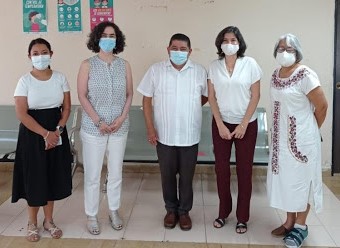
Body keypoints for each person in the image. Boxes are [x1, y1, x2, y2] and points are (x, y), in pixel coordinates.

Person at [138, 33, 208, 231]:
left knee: (187, 177)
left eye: (183, 49)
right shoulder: (156, 71)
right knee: (167, 175)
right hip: (164, 135)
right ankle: (171, 210)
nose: (178, 52)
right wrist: (150, 128)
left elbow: (205, 97)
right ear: (168, 49)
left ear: (190, 51)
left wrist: (190, 107)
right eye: (174, 48)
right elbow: (146, 99)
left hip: (189, 134)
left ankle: (184, 212)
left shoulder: (199, 71)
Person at [267, 33, 328, 248]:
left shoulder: (306, 74)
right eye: (281, 48)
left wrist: (308, 131)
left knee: (301, 183)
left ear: (298, 51)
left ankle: (301, 226)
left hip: (301, 141)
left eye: (290, 49)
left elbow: (322, 106)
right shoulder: (275, 74)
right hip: (280, 141)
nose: (285, 52)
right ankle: (289, 221)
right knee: (286, 181)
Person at [12, 38, 72, 242]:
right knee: (34, 178)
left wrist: (58, 130)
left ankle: (48, 220)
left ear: (51, 54)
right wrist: (45, 134)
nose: (40, 56)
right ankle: (32, 222)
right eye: (35, 53)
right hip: (33, 134)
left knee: (52, 176)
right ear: (29, 57)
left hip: (56, 131)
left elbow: (66, 108)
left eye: (44, 52)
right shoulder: (24, 81)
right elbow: (21, 113)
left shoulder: (60, 78)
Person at [77, 21, 133, 235]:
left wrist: (121, 118)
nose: (108, 39)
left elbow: (129, 94)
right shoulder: (87, 64)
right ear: (97, 39)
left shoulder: (124, 64)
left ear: (117, 40)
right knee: (92, 174)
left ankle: (113, 210)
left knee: (116, 172)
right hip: (94, 129)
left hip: (119, 127)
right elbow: (82, 95)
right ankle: (91, 214)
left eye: (112, 35)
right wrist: (98, 121)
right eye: (104, 35)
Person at [207, 26, 262, 234]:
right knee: (221, 170)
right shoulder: (214, 66)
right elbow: (211, 97)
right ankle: (223, 211)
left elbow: (255, 96)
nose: (229, 43)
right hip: (221, 123)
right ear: (220, 43)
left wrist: (243, 124)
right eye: (226, 40)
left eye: (233, 40)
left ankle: (242, 217)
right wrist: (220, 123)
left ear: (240, 43)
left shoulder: (250, 64)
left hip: (246, 124)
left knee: (244, 171)